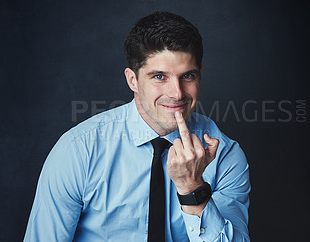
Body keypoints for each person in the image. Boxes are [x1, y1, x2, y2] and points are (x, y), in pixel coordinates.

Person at [24, 11, 250, 241]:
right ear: (132, 80)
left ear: (200, 75)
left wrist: (193, 188)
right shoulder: (79, 151)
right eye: (159, 77)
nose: (177, 93)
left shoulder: (224, 154)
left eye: (187, 76)